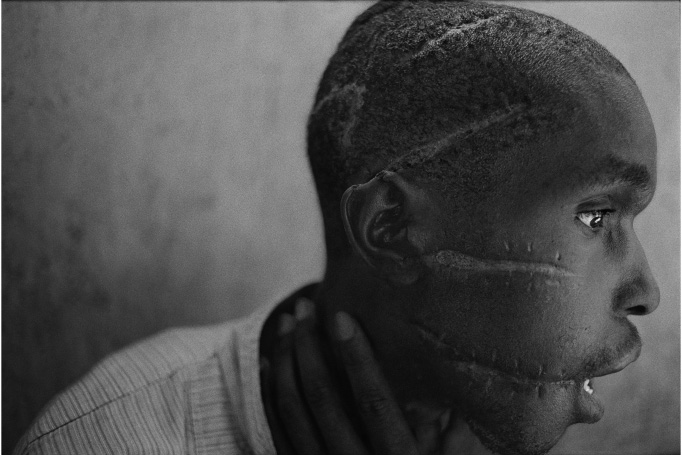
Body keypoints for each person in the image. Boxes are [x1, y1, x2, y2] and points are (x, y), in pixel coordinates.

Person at [14, 2, 660, 455]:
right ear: (391, 226)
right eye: (595, 214)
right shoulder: (117, 438)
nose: (645, 290)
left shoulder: (486, 413)